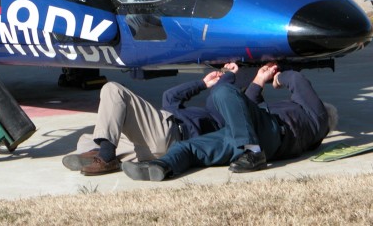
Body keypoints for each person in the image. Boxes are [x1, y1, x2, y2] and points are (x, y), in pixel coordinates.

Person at [122, 63, 335, 181]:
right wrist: (259, 81)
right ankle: (162, 166)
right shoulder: (305, 123)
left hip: (272, 135)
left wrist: (279, 79)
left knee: (223, 92)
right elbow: (250, 106)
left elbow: (297, 80)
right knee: (190, 147)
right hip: (254, 136)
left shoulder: (317, 116)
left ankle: (252, 152)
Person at [63, 64, 237, 176]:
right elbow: (170, 96)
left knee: (113, 89)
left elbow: (222, 93)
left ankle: (106, 156)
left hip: (171, 134)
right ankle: (104, 154)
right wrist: (203, 83)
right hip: (153, 148)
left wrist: (228, 74)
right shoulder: (178, 110)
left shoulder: (219, 115)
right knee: (86, 139)